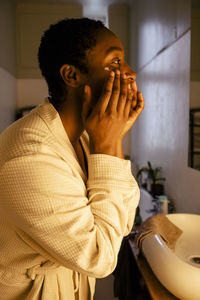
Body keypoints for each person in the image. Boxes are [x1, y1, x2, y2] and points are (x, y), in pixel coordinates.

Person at [0, 18, 144, 300]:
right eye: (115, 62)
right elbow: (100, 259)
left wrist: (113, 140)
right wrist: (109, 144)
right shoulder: (29, 157)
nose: (130, 72)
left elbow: (122, 224)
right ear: (72, 75)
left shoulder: (86, 137)